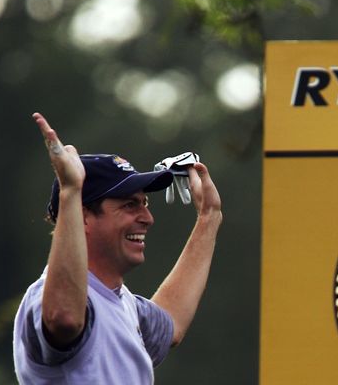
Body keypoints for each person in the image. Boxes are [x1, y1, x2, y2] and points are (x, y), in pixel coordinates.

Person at [13, 113, 223, 384]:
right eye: (129, 205)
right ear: (83, 216)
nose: (147, 218)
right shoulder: (53, 298)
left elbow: (171, 324)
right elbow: (64, 317)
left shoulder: (122, 302)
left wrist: (209, 217)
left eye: (144, 203)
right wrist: (70, 192)